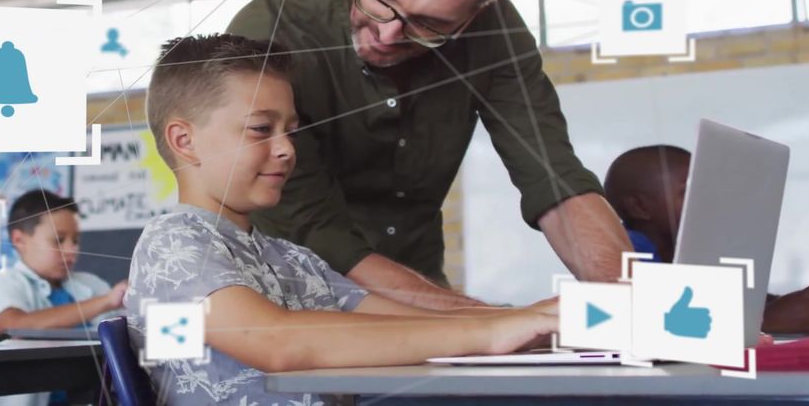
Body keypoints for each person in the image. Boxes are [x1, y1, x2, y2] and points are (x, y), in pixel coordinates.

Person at [227, 0, 629, 309]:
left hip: (423, 295)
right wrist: (482, 321)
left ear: (480, 10)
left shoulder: (494, 32)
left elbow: (553, 174)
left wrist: (628, 302)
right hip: (288, 304)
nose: (386, 33)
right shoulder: (267, 34)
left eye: (429, 24)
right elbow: (313, 231)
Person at [125, 34, 557, 406]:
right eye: (260, 129)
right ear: (185, 141)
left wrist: (532, 321)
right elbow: (276, 341)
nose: (286, 149)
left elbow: (405, 321)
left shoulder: (291, 258)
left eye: (290, 130)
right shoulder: (174, 244)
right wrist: (494, 335)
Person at [605, 145, 809, 335]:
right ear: (640, 207)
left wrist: (803, 305)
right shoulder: (628, 251)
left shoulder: (688, 248)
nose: (706, 201)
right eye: (687, 192)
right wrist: (767, 320)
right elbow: (645, 320)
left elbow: (730, 300)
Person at [0, 189, 128, 330]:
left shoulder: (91, 283)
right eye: (58, 240)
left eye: (75, 241)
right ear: (19, 240)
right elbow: (13, 326)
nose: (72, 250)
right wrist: (107, 301)